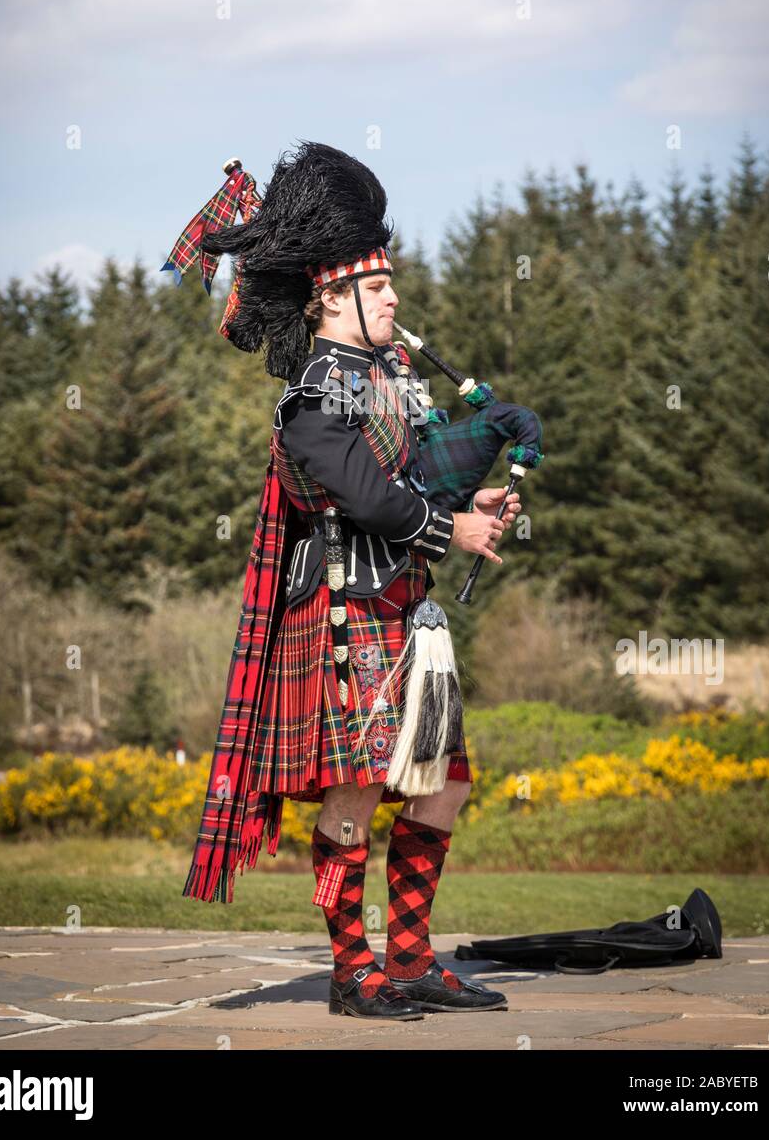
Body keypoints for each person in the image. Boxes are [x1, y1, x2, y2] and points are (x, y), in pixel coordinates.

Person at [163, 141, 520, 1019]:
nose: (396, 295)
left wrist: (471, 495)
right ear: (332, 295)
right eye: (380, 284)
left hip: (406, 613)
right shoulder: (318, 395)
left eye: (392, 282)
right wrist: (451, 526)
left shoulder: (386, 376)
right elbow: (366, 497)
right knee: (356, 793)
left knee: (445, 782)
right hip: (342, 614)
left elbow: (413, 479)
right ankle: (351, 968)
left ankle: (408, 957)